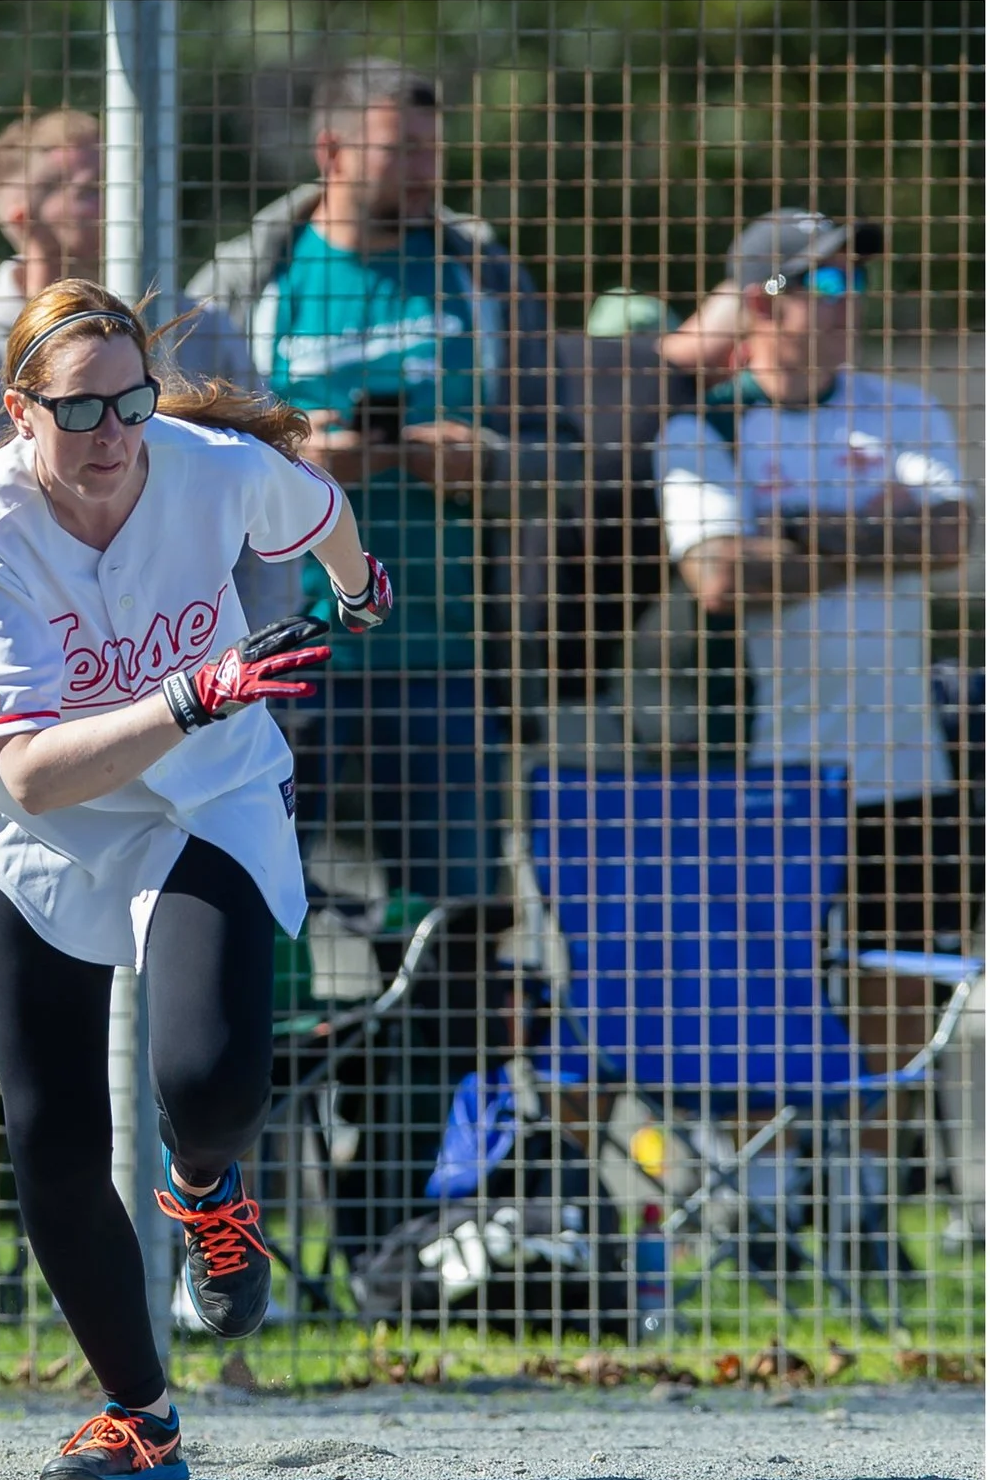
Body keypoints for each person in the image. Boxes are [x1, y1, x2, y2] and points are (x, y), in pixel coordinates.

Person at [0, 281, 382, 1480]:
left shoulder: (205, 462)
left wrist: (357, 588)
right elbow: (30, 771)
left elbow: (321, 509)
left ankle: (206, 1191)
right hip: (46, 816)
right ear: (18, 413)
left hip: (204, 787)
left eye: (130, 400)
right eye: (77, 410)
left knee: (207, 1072)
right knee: (54, 1138)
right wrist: (196, 690)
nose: (112, 434)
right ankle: (139, 1414)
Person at [186, 58, 575, 905]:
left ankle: (451, 1044)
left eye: (432, 152)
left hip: (446, 654)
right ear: (331, 150)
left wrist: (488, 465)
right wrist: (295, 460)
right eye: (401, 152)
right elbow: (177, 464)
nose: (426, 173)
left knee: (456, 915)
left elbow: (567, 460)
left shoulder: (483, 277)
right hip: (282, 653)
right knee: (257, 895)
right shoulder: (248, 284)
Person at [654, 210, 978, 1047]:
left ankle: (870, 1182)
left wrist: (801, 531)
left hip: (905, 766)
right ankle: (765, 1182)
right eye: (825, 282)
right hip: (768, 771)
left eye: (855, 281)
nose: (848, 300)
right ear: (761, 305)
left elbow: (951, 537)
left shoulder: (900, 408)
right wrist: (873, 533)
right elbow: (722, 576)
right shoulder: (706, 429)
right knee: (759, 995)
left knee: (902, 986)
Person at [0, 109, 273, 657]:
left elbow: (267, 498)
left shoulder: (199, 334)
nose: (124, 203)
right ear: (23, 217)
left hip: (214, 694)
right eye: (93, 190)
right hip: (45, 708)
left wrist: (252, 660)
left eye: (128, 181)